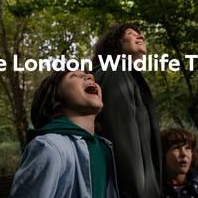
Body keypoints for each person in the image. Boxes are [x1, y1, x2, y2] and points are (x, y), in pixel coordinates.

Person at [9, 69, 119, 198]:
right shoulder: (49, 147)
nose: (90, 77)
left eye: (89, 76)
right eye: (74, 76)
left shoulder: (104, 149)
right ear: (57, 99)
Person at [92, 23, 162, 198]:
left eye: (140, 34)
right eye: (131, 34)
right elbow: (121, 139)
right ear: (114, 46)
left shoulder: (126, 75)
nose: (141, 37)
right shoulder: (116, 72)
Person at [160, 128, 198, 198]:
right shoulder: (155, 187)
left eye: (187, 148)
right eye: (176, 148)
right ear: (162, 153)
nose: (184, 154)